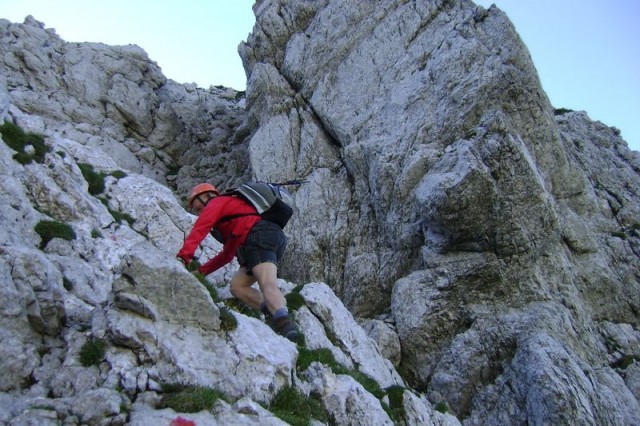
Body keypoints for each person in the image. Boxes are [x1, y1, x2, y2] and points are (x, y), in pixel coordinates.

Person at [176, 183, 298, 342]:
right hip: (268, 239)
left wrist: (183, 257)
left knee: (267, 283)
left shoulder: (217, 202)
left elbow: (201, 228)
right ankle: (273, 313)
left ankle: (286, 325)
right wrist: (200, 273)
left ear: (206, 196)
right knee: (237, 287)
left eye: (198, 208)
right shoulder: (232, 218)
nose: (199, 213)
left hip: (258, 236)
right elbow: (227, 255)